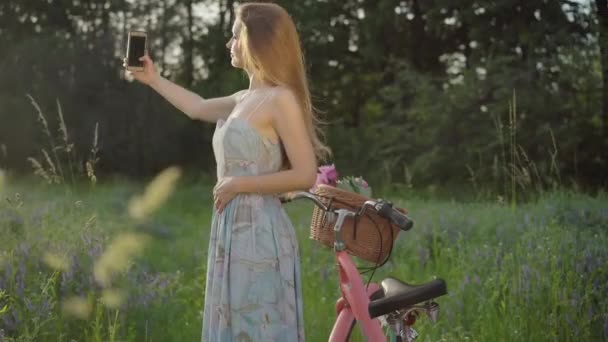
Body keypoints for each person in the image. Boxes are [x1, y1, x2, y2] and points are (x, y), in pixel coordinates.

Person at [125, 2, 331, 341]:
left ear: (255, 40)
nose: (228, 43)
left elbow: (306, 174)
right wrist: (154, 79)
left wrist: (239, 184)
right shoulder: (243, 98)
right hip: (231, 230)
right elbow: (196, 107)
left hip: (260, 233)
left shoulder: (281, 100)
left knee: (257, 327)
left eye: (235, 36)